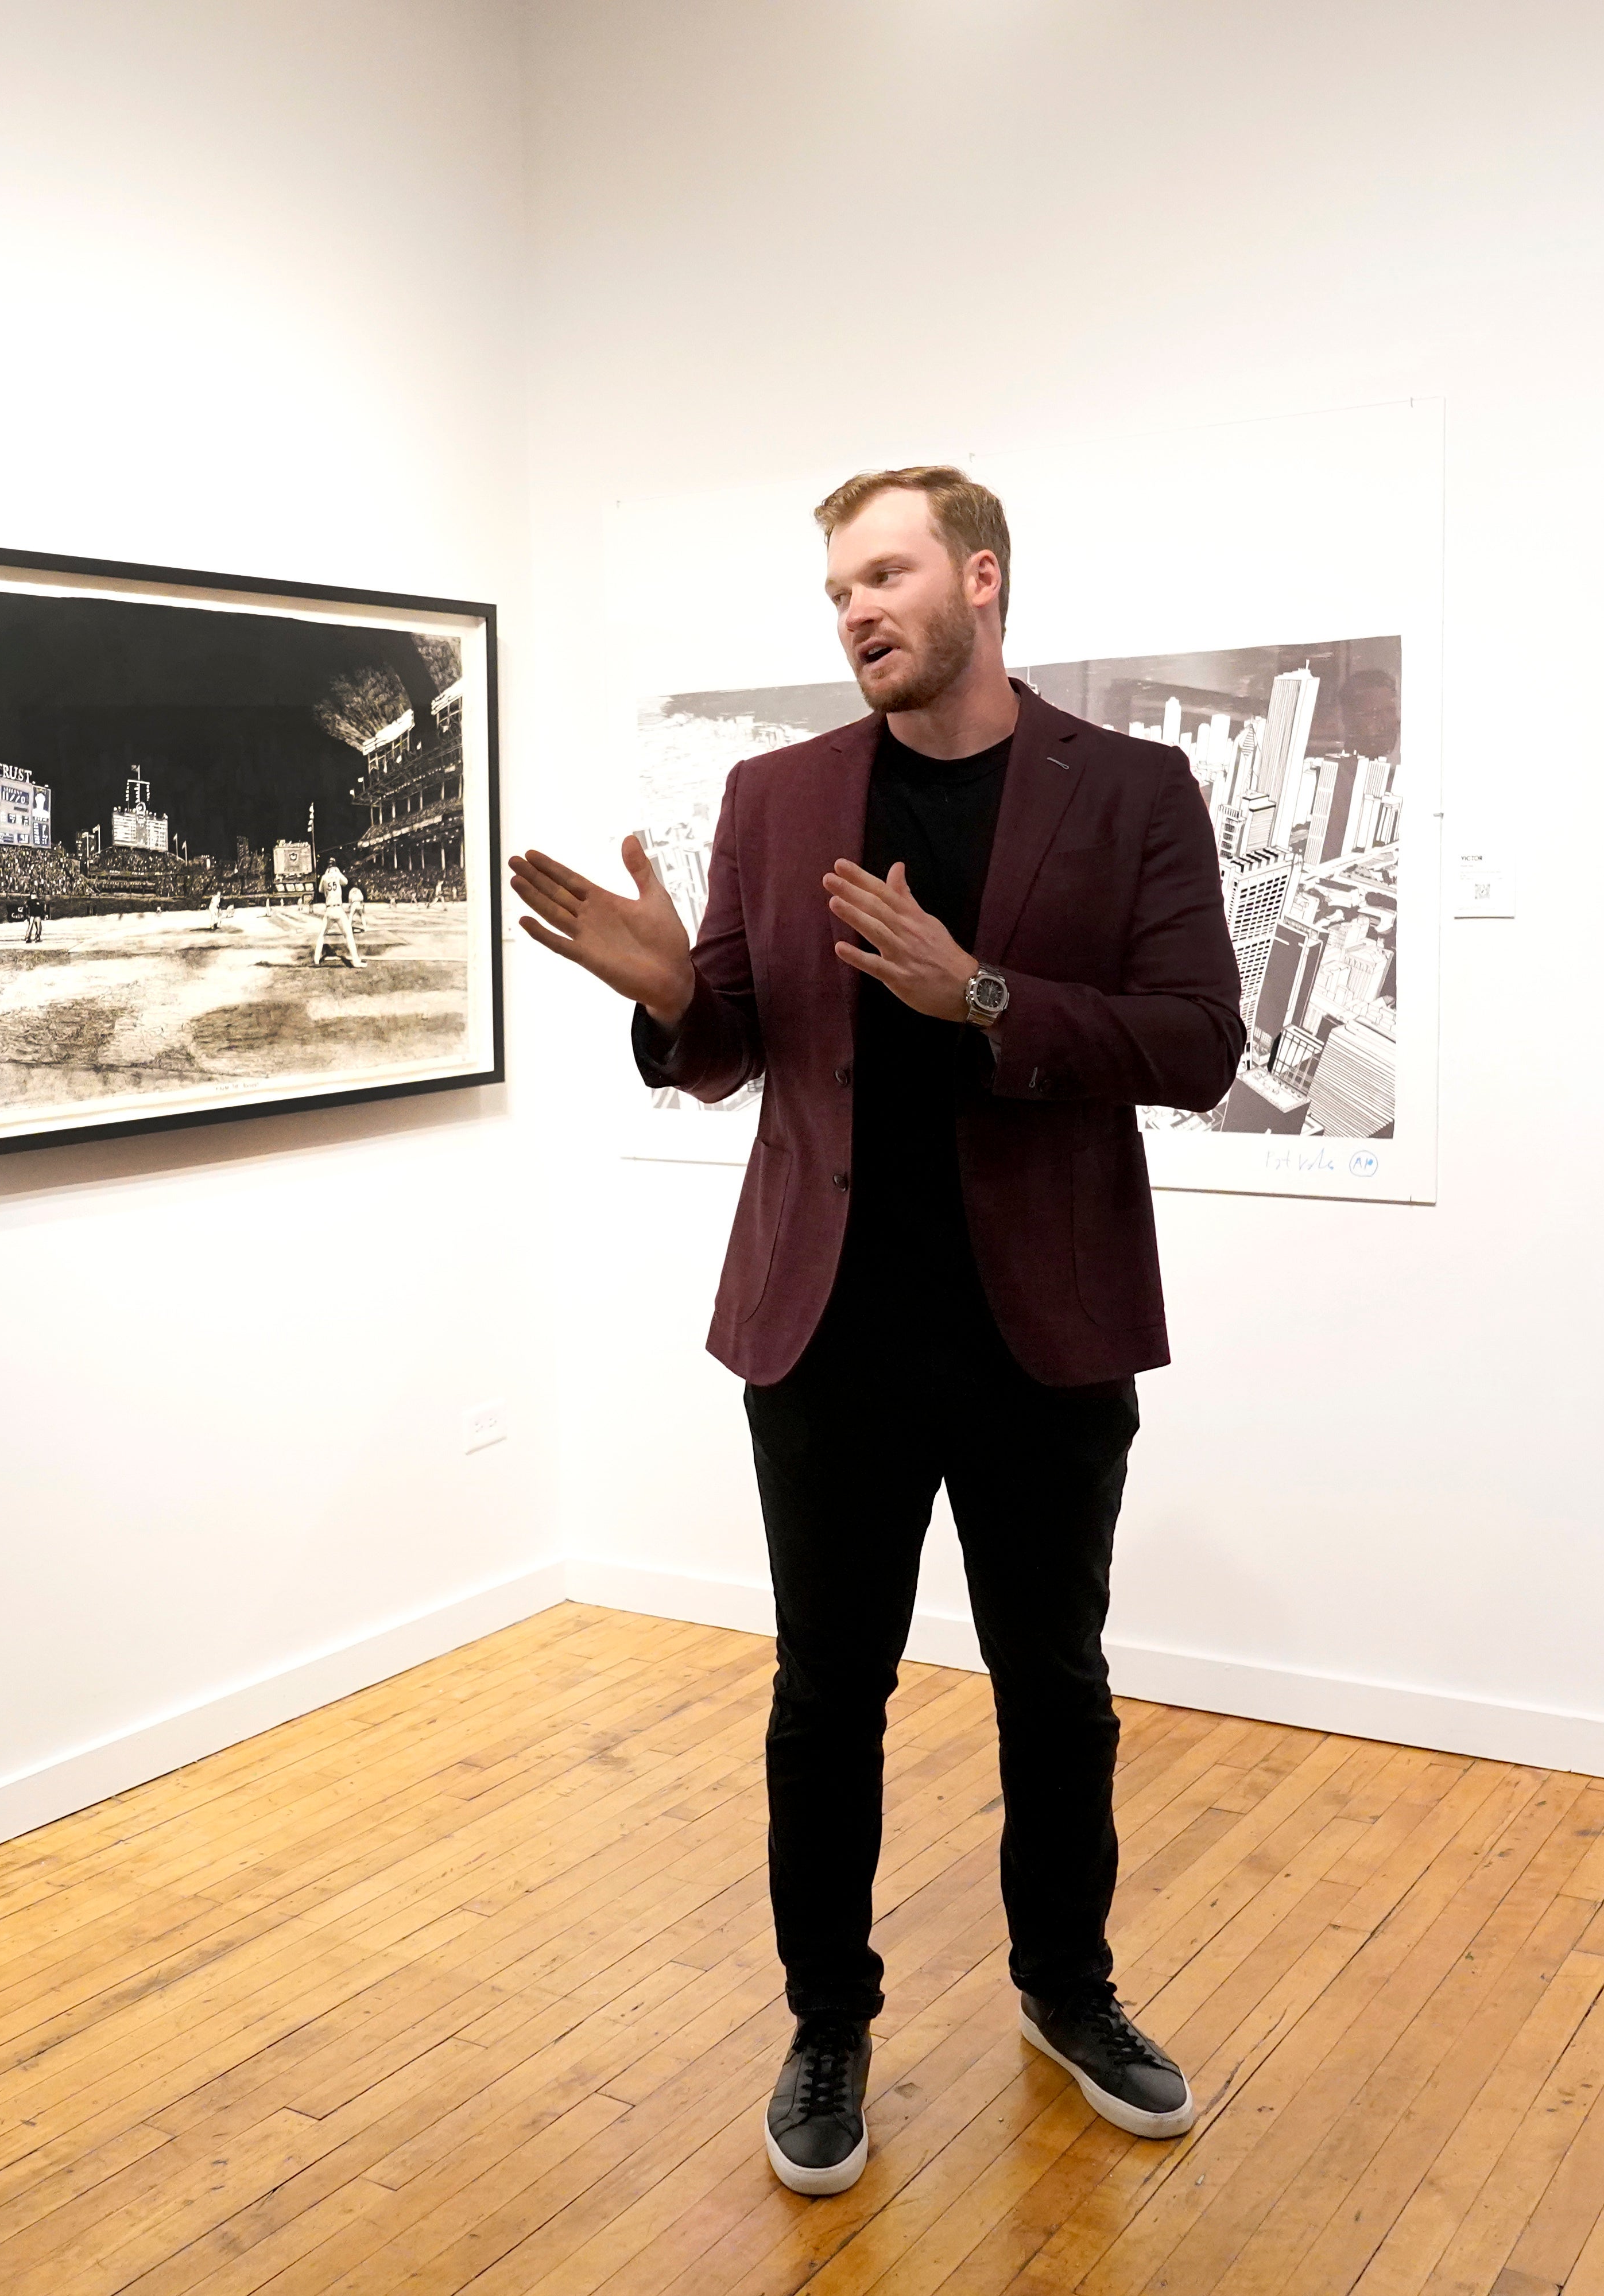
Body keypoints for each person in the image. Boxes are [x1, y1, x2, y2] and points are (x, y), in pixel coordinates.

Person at [507, 466, 1238, 2197]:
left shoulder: (1131, 790)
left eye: (887, 574)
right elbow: (735, 1041)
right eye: (838, 588)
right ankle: (825, 2021)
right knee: (824, 1691)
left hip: (1043, 1324)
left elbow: (1199, 1041)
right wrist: (670, 992)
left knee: (1053, 1686)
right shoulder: (775, 796)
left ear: (979, 578)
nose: (856, 611)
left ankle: (1066, 1987)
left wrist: (975, 991)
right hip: (825, 1325)